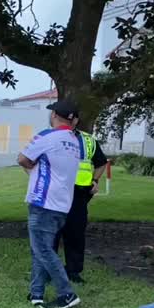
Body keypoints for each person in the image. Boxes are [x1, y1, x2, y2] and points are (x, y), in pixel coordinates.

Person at [17, 99, 83, 308]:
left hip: (42, 200)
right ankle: (36, 294)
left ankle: (67, 294)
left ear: (54, 115)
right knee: (40, 248)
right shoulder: (74, 141)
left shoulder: (48, 135)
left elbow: (22, 158)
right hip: (62, 204)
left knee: (42, 249)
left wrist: (32, 168)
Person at [53, 118, 108, 284]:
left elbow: (101, 162)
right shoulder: (50, 137)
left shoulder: (87, 139)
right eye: (57, 116)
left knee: (76, 234)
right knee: (51, 234)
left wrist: (95, 180)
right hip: (54, 192)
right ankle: (49, 271)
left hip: (78, 193)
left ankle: (73, 271)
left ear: (76, 120)